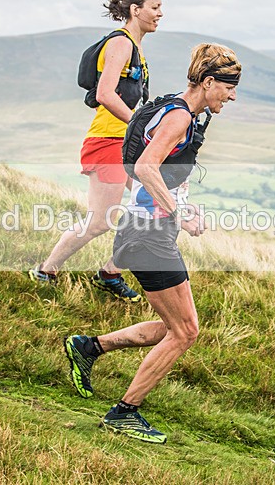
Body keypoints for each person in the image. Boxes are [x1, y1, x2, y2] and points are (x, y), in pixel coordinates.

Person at [64, 43, 242, 444]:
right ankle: (124, 412)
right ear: (209, 82)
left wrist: (183, 206)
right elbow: (145, 168)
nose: (232, 96)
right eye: (229, 88)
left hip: (147, 230)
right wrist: (178, 215)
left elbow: (159, 172)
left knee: (172, 326)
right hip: (148, 235)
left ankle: (89, 347)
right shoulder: (179, 117)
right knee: (185, 331)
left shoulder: (176, 109)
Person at [29, 0, 163, 303]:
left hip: (128, 143)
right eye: (155, 7)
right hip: (108, 142)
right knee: (100, 221)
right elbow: (105, 94)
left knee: (156, 208)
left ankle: (111, 272)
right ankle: (46, 271)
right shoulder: (120, 44)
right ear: (136, 10)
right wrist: (138, 124)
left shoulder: (136, 47)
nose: (160, 13)